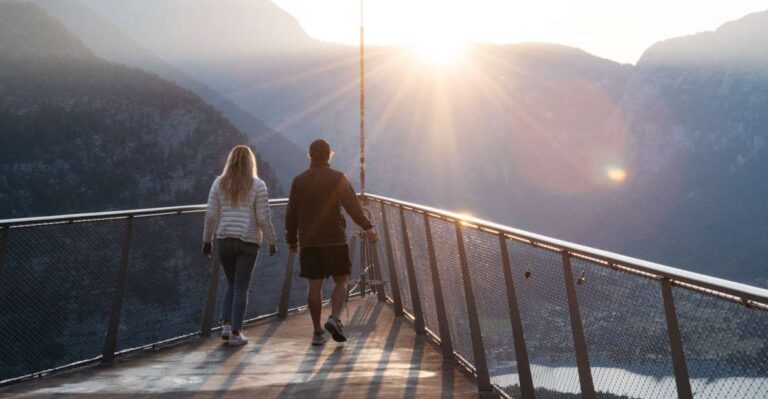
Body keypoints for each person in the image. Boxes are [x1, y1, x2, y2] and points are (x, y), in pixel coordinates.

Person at [285, 139, 377, 346]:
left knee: (314, 285)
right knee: (341, 280)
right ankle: (334, 318)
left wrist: (292, 239)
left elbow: (291, 213)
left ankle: (317, 332)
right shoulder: (338, 178)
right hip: (335, 238)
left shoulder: (299, 181)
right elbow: (352, 206)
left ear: (310, 156)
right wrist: (367, 226)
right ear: (330, 155)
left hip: (309, 241)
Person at [203, 145, 277, 346]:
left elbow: (211, 215)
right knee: (241, 287)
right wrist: (272, 240)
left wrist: (207, 240)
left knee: (232, 283)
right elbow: (263, 217)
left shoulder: (219, 184)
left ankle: (226, 325)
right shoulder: (258, 185)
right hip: (248, 241)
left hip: (224, 240)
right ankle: (236, 332)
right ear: (251, 162)